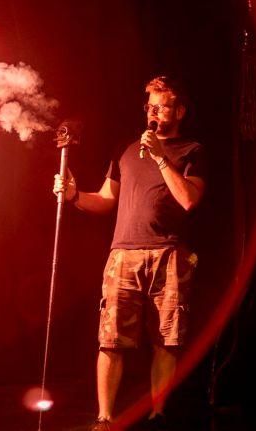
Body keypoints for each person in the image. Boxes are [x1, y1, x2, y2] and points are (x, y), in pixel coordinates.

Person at [53, 76, 206, 431]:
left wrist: (160, 157)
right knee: (111, 340)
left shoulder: (191, 150)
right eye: (148, 105)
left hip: (170, 253)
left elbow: (188, 200)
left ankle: (157, 414)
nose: (152, 111)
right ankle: (105, 417)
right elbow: (106, 201)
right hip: (123, 253)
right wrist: (75, 195)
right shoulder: (125, 148)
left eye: (161, 105)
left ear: (179, 111)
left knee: (166, 339)